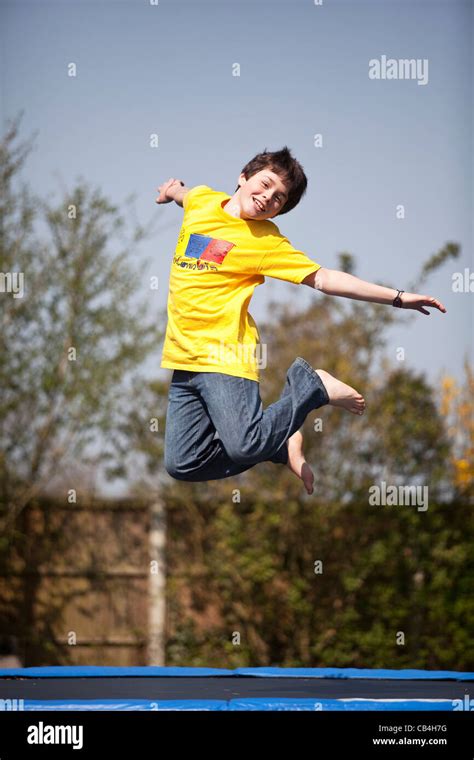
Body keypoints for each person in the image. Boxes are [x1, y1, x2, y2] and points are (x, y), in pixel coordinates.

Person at [155, 147, 446, 495]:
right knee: (182, 462)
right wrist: (171, 190)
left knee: (245, 446)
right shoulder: (202, 201)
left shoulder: (266, 241)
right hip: (182, 359)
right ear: (243, 177)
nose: (267, 198)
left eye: (278, 199)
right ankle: (279, 441)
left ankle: (312, 387)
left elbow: (324, 278)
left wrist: (397, 297)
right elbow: (184, 194)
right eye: (264, 186)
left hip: (223, 356)